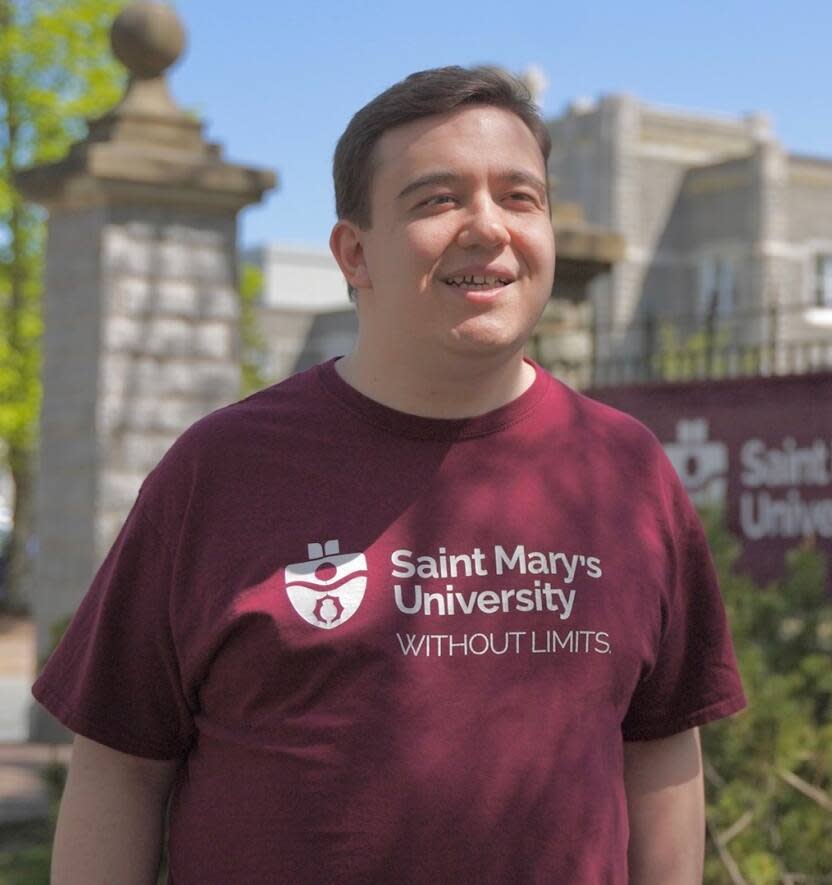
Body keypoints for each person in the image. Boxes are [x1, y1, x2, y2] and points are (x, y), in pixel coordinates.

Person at [35, 65, 746, 884]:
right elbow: (121, 764)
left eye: (521, 197)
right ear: (354, 252)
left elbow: (660, 746)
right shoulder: (220, 471)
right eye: (437, 199)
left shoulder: (627, 473)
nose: (488, 226)